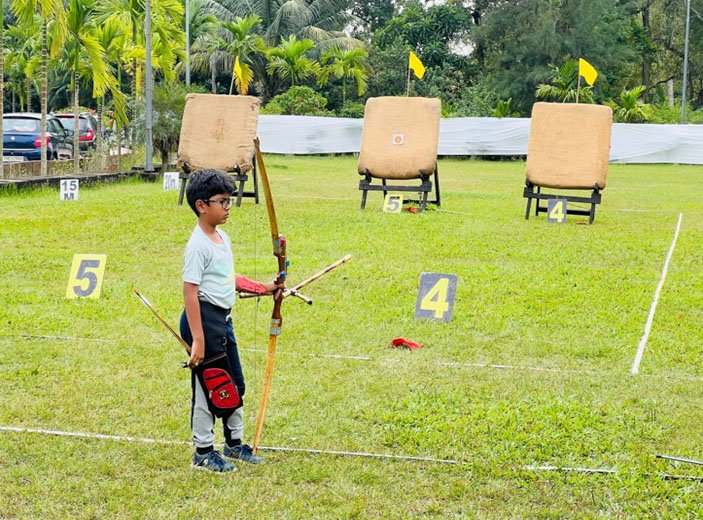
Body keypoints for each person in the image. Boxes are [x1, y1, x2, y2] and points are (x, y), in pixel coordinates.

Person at [179, 169, 282, 473]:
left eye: (229, 200)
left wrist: (265, 288)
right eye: (222, 201)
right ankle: (203, 452)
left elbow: (228, 277)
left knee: (235, 383)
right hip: (202, 322)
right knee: (209, 387)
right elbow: (190, 291)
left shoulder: (222, 238)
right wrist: (198, 340)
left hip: (221, 321)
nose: (228, 207)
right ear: (201, 205)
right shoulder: (197, 245)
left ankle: (234, 444)